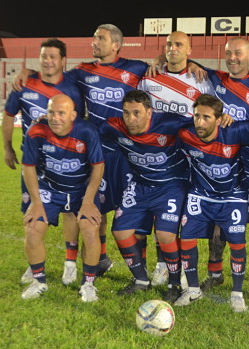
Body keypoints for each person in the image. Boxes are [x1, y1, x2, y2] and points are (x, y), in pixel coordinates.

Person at [13, 24, 151, 277]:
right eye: (94, 37)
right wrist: (30, 71)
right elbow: (54, 75)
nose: (94, 42)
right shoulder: (83, 71)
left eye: (100, 38)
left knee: (134, 210)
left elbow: (165, 73)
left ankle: (147, 267)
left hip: (129, 153)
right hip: (96, 152)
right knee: (96, 208)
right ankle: (100, 259)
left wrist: (165, 58)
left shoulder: (137, 69)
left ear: (116, 45)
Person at [189, 37, 249, 296]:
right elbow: (187, 63)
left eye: (238, 53)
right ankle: (215, 273)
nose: (232, 58)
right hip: (222, 164)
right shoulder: (215, 80)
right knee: (219, 221)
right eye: (228, 53)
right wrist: (161, 60)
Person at [3, 38, 85, 286]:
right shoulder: (25, 84)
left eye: (52, 56)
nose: (47, 61)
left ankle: (70, 264)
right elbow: (8, 116)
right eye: (43, 56)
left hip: (64, 163)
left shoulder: (72, 88)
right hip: (33, 164)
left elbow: (77, 123)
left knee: (71, 212)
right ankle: (34, 266)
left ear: (63, 61)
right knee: (31, 214)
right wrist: (7, 147)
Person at [173, 94, 249, 312]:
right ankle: (193, 289)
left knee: (237, 243)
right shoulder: (185, 134)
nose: (200, 122)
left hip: (232, 196)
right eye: (196, 116)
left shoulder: (234, 131)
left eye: (206, 117)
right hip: (201, 195)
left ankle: (237, 294)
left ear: (219, 119)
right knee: (186, 237)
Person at [137, 31, 215, 287]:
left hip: (191, 159)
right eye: (169, 44)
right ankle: (163, 265)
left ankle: (185, 266)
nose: (172, 48)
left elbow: (212, 114)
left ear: (189, 49)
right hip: (159, 158)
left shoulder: (201, 80)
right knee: (163, 215)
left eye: (179, 44)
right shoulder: (150, 79)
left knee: (185, 218)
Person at [99, 90, 194, 299]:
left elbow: (200, 124)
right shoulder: (113, 126)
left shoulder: (169, 123)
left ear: (149, 112)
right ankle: (141, 280)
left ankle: (174, 284)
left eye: (136, 113)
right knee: (121, 231)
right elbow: (84, 131)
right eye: (126, 113)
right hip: (140, 185)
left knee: (165, 234)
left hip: (171, 186)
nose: (130, 119)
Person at [21, 94, 104, 302]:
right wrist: (37, 203)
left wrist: (87, 201)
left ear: (73, 115)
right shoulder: (36, 131)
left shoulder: (86, 131)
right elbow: (28, 168)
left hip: (80, 190)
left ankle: (88, 284)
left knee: (90, 229)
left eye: (61, 113)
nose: (55, 118)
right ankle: (39, 281)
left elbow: (98, 167)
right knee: (32, 228)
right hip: (50, 188)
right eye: (51, 112)